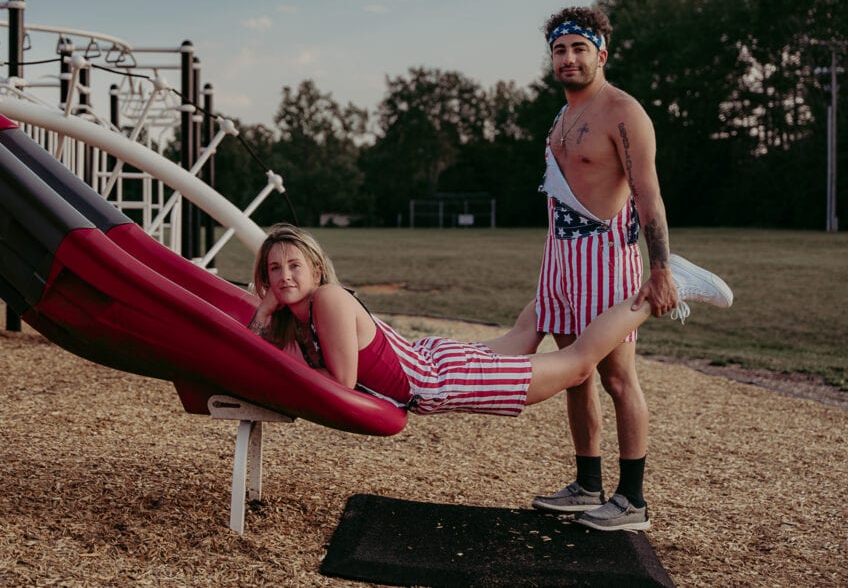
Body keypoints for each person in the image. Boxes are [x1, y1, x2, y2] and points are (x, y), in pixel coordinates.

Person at [247, 225, 733, 528]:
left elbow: (344, 383)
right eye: (274, 269)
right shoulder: (300, 315)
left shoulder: (328, 300)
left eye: (294, 265)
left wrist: (271, 313)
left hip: (438, 378)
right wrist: (267, 309)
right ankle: (561, 284)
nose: (285, 275)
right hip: (429, 363)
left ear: (316, 268)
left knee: (580, 364)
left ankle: (665, 288)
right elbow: (263, 349)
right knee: (527, 333)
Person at [521, 5, 710, 532]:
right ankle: (587, 486)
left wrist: (661, 269)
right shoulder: (561, 116)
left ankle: (632, 501)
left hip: (608, 259)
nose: (568, 58)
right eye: (559, 49)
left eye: (579, 48)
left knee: (617, 377)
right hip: (560, 257)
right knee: (571, 375)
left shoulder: (624, 112)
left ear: (601, 54)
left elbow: (649, 196)